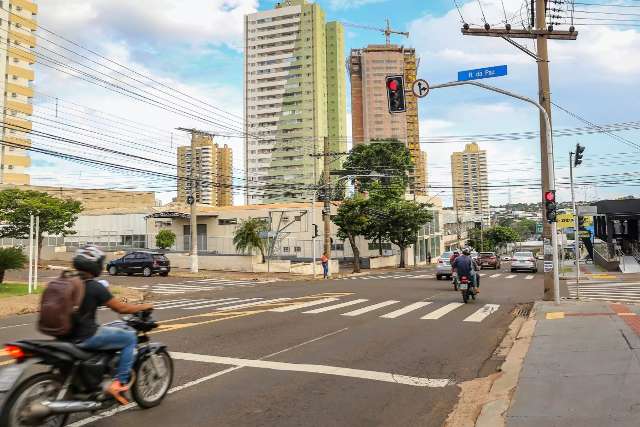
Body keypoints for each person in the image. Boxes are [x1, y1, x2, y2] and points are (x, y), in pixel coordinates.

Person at [67, 246, 153, 405]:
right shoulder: (94, 286)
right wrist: (143, 306)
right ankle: (118, 383)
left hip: (65, 335)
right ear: (95, 265)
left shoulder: (67, 281)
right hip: (86, 336)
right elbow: (121, 308)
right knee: (128, 338)